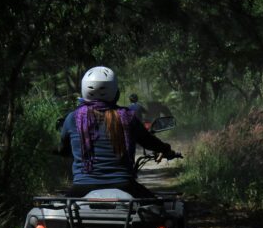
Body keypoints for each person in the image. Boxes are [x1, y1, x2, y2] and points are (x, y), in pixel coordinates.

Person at [60, 67, 177, 198]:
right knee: (157, 211)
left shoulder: (72, 118)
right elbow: (149, 141)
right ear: (116, 93)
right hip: (124, 185)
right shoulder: (128, 117)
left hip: (81, 187)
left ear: (84, 91)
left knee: (63, 213)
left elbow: (63, 149)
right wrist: (165, 149)